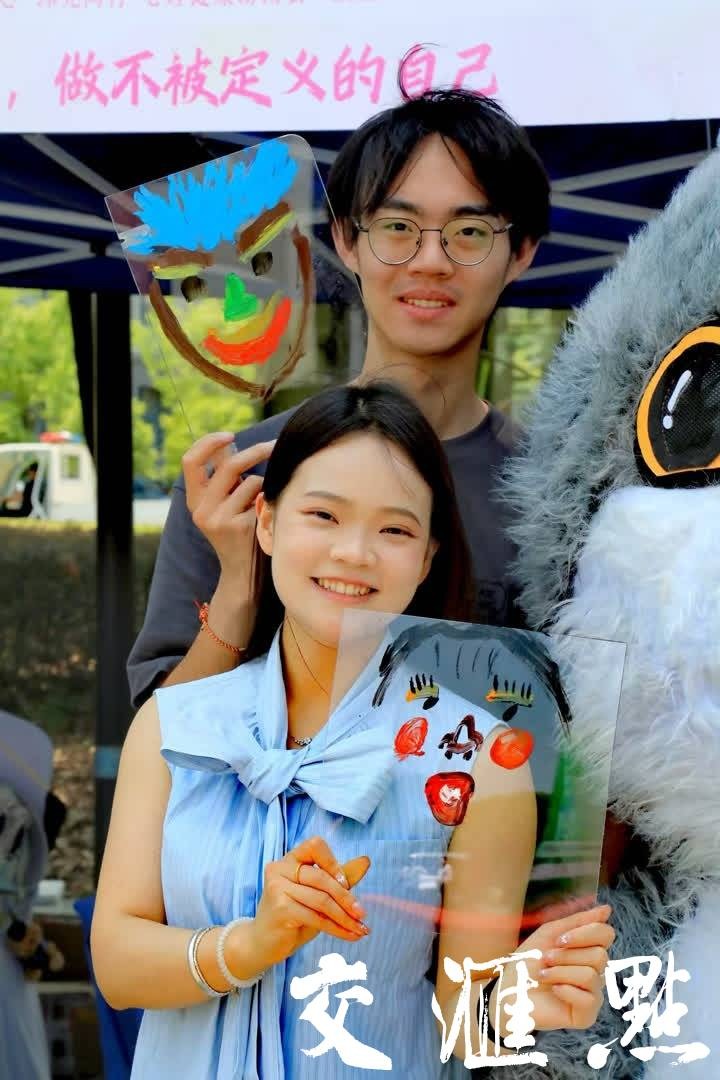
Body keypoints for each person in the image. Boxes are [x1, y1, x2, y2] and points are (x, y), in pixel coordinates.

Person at [93, 384, 613, 1078]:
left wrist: (525, 999)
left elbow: (464, 1022)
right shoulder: (175, 724)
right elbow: (116, 964)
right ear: (267, 524)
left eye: (395, 530)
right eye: (323, 515)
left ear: (426, 558)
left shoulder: (483, 760)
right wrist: (251, 944)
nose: (354, 552)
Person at [126, 85, 551, 709]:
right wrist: (240, 583)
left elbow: (581, 736)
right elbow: (159, 734)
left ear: (521, 252)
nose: (430, 260)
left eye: (469, 231)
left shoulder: (556, 495)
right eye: (398, 227)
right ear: (347, 240)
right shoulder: (240, 479)